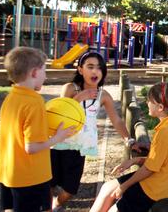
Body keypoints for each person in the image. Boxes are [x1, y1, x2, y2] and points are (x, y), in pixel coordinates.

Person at [50, 51, 136, 211]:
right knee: (49, 183)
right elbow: (60, 112)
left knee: (70, 190)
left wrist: (128, 139)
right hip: (58, 144)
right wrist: (79, 98)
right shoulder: (69, 88)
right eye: (90, 67)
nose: (95, 71)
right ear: (80, 69)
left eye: (99, 68)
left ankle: (56, 203)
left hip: (79, 148)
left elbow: (116, 120)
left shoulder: (104, 95)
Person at [0, 47, 75, 211]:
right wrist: (57, 138)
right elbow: (31, 147)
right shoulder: (34, 102)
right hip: (31, 178)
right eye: (44, 71)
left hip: (9, 173)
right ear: (34, 73)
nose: (46, 76)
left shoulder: (11, 97)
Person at [90, 81, 168, 212]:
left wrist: (124, 187)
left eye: (149, 100)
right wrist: (135, 160)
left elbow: (150, 169)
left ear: (160, 107)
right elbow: (162, 160)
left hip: (155, 189)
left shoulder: (166, 131)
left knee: (114, 207)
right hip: (163, 183)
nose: (146, 103)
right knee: (107, 188)